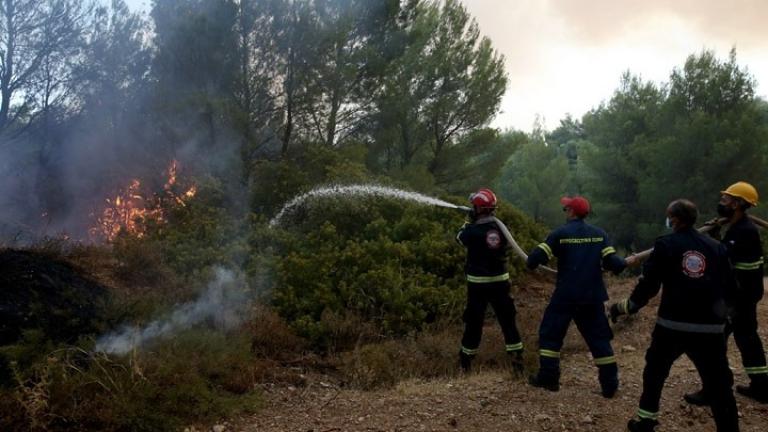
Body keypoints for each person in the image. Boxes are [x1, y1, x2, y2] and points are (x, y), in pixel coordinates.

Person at [611, 199, 739, 432]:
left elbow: (649, 285)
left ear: (675, 220)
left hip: (672, 327)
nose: (668, 220)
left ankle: (646, 421)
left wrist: (628, 306)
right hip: (709, 330)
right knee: (720, 384)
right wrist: (725, 320)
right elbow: (731, 288)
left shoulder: (666, 245)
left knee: (655, 373)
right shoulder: (717, 248)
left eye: (669, 216)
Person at [526, 196, 626, 397]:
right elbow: (611, 263)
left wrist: (531, 260)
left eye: (566, 209)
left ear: (571, 212)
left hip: (566, 295)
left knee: (550, 335)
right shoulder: (599, 234)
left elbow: (535, 259)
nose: (565, 211)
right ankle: (610, 386)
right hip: (592, 296)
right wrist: (622, 263)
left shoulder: (559, 234)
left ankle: (549, 379)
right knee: (599, 340)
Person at [685, 181, 768, 405]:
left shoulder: (743, 231)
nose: (722, 202)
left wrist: (710, 236)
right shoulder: (740, 227)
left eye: (726, 199)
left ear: (738, 204)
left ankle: (714, 390)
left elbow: (720, 257)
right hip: (745, 296)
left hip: (736, 299)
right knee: (748, 339)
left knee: (710, 341)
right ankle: (762, 386)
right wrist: (718, 232)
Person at [455, 188, 524, 373]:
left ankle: (465, 363)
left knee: (474, 322)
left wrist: (467, 221)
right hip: (501, 283)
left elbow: (459, 238)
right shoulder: (501, 229)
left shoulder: (473, 231)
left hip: (478, 285)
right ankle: (517, 362)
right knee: (508, 321)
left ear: (477, 209)